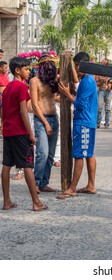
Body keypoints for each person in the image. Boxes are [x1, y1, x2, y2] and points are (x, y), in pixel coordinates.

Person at [1, 56, 47, 211]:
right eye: (26, 69)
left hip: (8, 131)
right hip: (20, 131)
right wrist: (31, 133)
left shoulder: (7, 87)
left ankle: (6, 201)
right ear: (17, 70)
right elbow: (23, 111)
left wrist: (3, 125)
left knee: (7, 165)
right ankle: (36, 202)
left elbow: (2, 109)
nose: (29, 71)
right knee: (27, 165)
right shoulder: (21, 87)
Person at [57, 52, 98, 199]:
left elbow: (80, 104)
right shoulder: (87, 79)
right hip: (87, 121)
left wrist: (67, 94)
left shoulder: (87, 81)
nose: (77, 67)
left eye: (79, 65)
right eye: (76, 65)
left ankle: (72, 188)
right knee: (88, 154)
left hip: (84, 122)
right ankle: (91, 185)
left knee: (79, 155)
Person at [30, 54, 59, 192]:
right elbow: (35, 105)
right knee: (43, 152)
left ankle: (44, 183)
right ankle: (35, 183)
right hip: (41, 120)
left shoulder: (53, 81)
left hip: (54, 117)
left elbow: (56, 98)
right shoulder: (34, 81)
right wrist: (46, 123)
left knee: (51, 154)